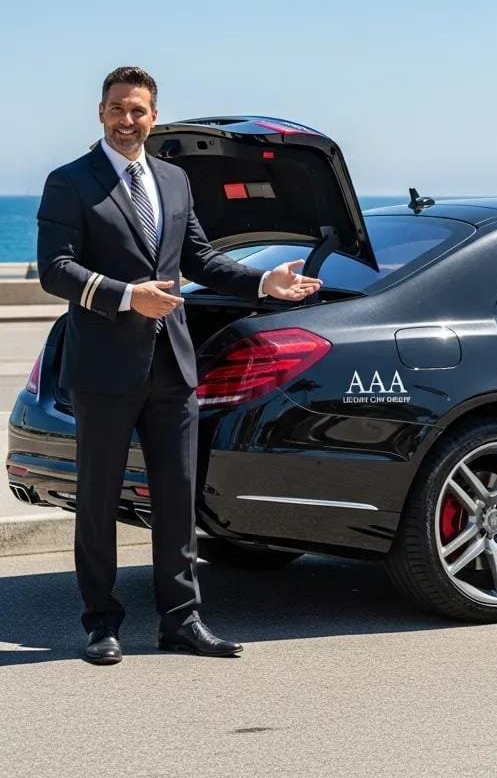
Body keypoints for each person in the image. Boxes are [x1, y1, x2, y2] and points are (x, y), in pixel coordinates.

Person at [37, 66, 323, 665]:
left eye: (138, 110)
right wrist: (126, 296)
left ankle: (182, 621)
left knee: (176, 498)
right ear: (101, 112)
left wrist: (264, 282)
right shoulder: (69, 181)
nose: (127, 120)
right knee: (97, 501)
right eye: (118, 108)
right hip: (104, 370)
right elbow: (55, 270)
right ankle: (100, 623)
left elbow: (199, 257)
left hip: (172, 366)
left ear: (154, 116)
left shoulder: (174, 179)